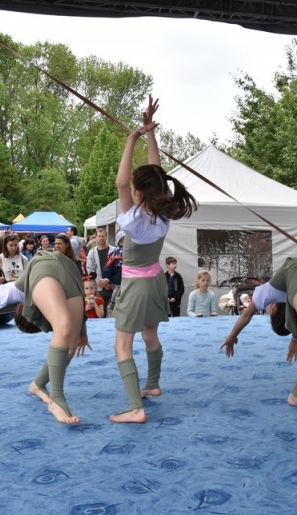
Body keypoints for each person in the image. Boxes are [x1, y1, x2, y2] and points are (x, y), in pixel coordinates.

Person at [109, 95, 197, 424]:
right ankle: (153, 384)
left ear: (138, 192)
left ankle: (135, 407)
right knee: (150, 336)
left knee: (122, 346)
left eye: (133, 188)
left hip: (135, 287)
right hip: (155, 282)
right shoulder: (164, 211)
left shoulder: (132, 219)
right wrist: (148, 134)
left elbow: (122, 181)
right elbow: (156, 174)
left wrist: (131, 139)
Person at [0, 250, 90, 424]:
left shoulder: (17, 292)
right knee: (67, 338)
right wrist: (82, 333)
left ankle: (47, 392)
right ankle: (47, 391)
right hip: (69, 271)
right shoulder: (39, 290)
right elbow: (77, 316)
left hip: (54, 267)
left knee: (65, 333)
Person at [221, 257, 297, 427]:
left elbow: (246, 314)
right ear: (273, 309)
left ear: (273, 307)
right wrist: (295, 339)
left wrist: (232, 335)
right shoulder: (292, 299)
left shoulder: (268, 292)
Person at [86, 228, 114, 305]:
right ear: (96, 237)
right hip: (99, 287)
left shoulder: (114, 251)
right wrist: (102, 283)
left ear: (106, 237)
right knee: (100, 308)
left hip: (112, 286)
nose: (101, 238)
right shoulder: (92, 253)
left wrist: (108, 281)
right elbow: (90, 270)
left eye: (103, 236)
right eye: (99, 236)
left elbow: (117, 269)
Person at [101, 232, 124, 312]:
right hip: (120, 274)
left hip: (117, 274)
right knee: (118, 288)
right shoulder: (121, 251)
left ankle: (113, 303)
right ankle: (112, 303)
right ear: (120, 241)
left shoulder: (115, 250)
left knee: (118, 288)